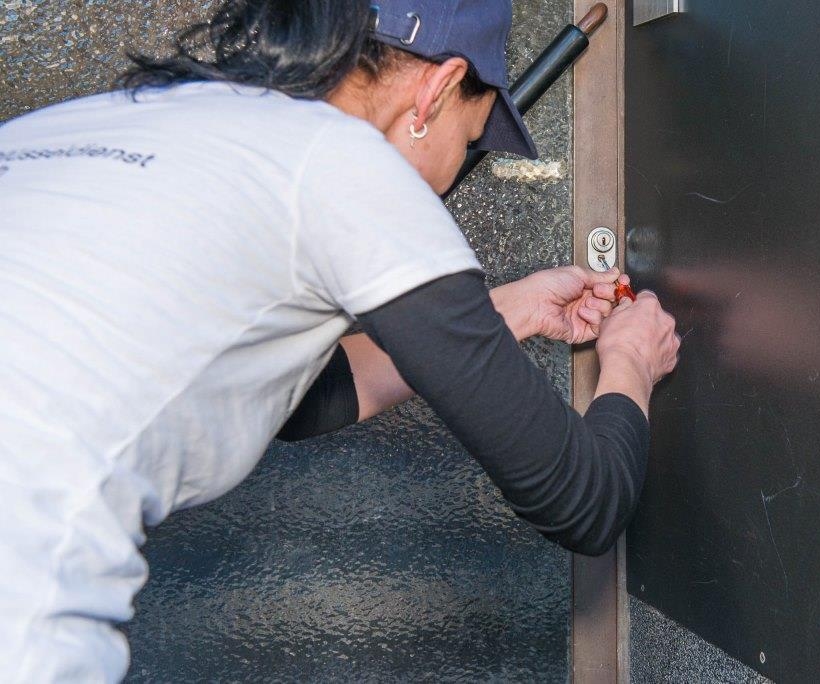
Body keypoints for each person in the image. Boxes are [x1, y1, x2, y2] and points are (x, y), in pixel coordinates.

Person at [0, 0, 680, 680]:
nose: (455, 168)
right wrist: (629, 359)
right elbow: (584, 501)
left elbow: (295, 399)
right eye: (469, 141)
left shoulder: (113, 117)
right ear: (436, 90)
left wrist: (506, 313)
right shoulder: (345, 160)